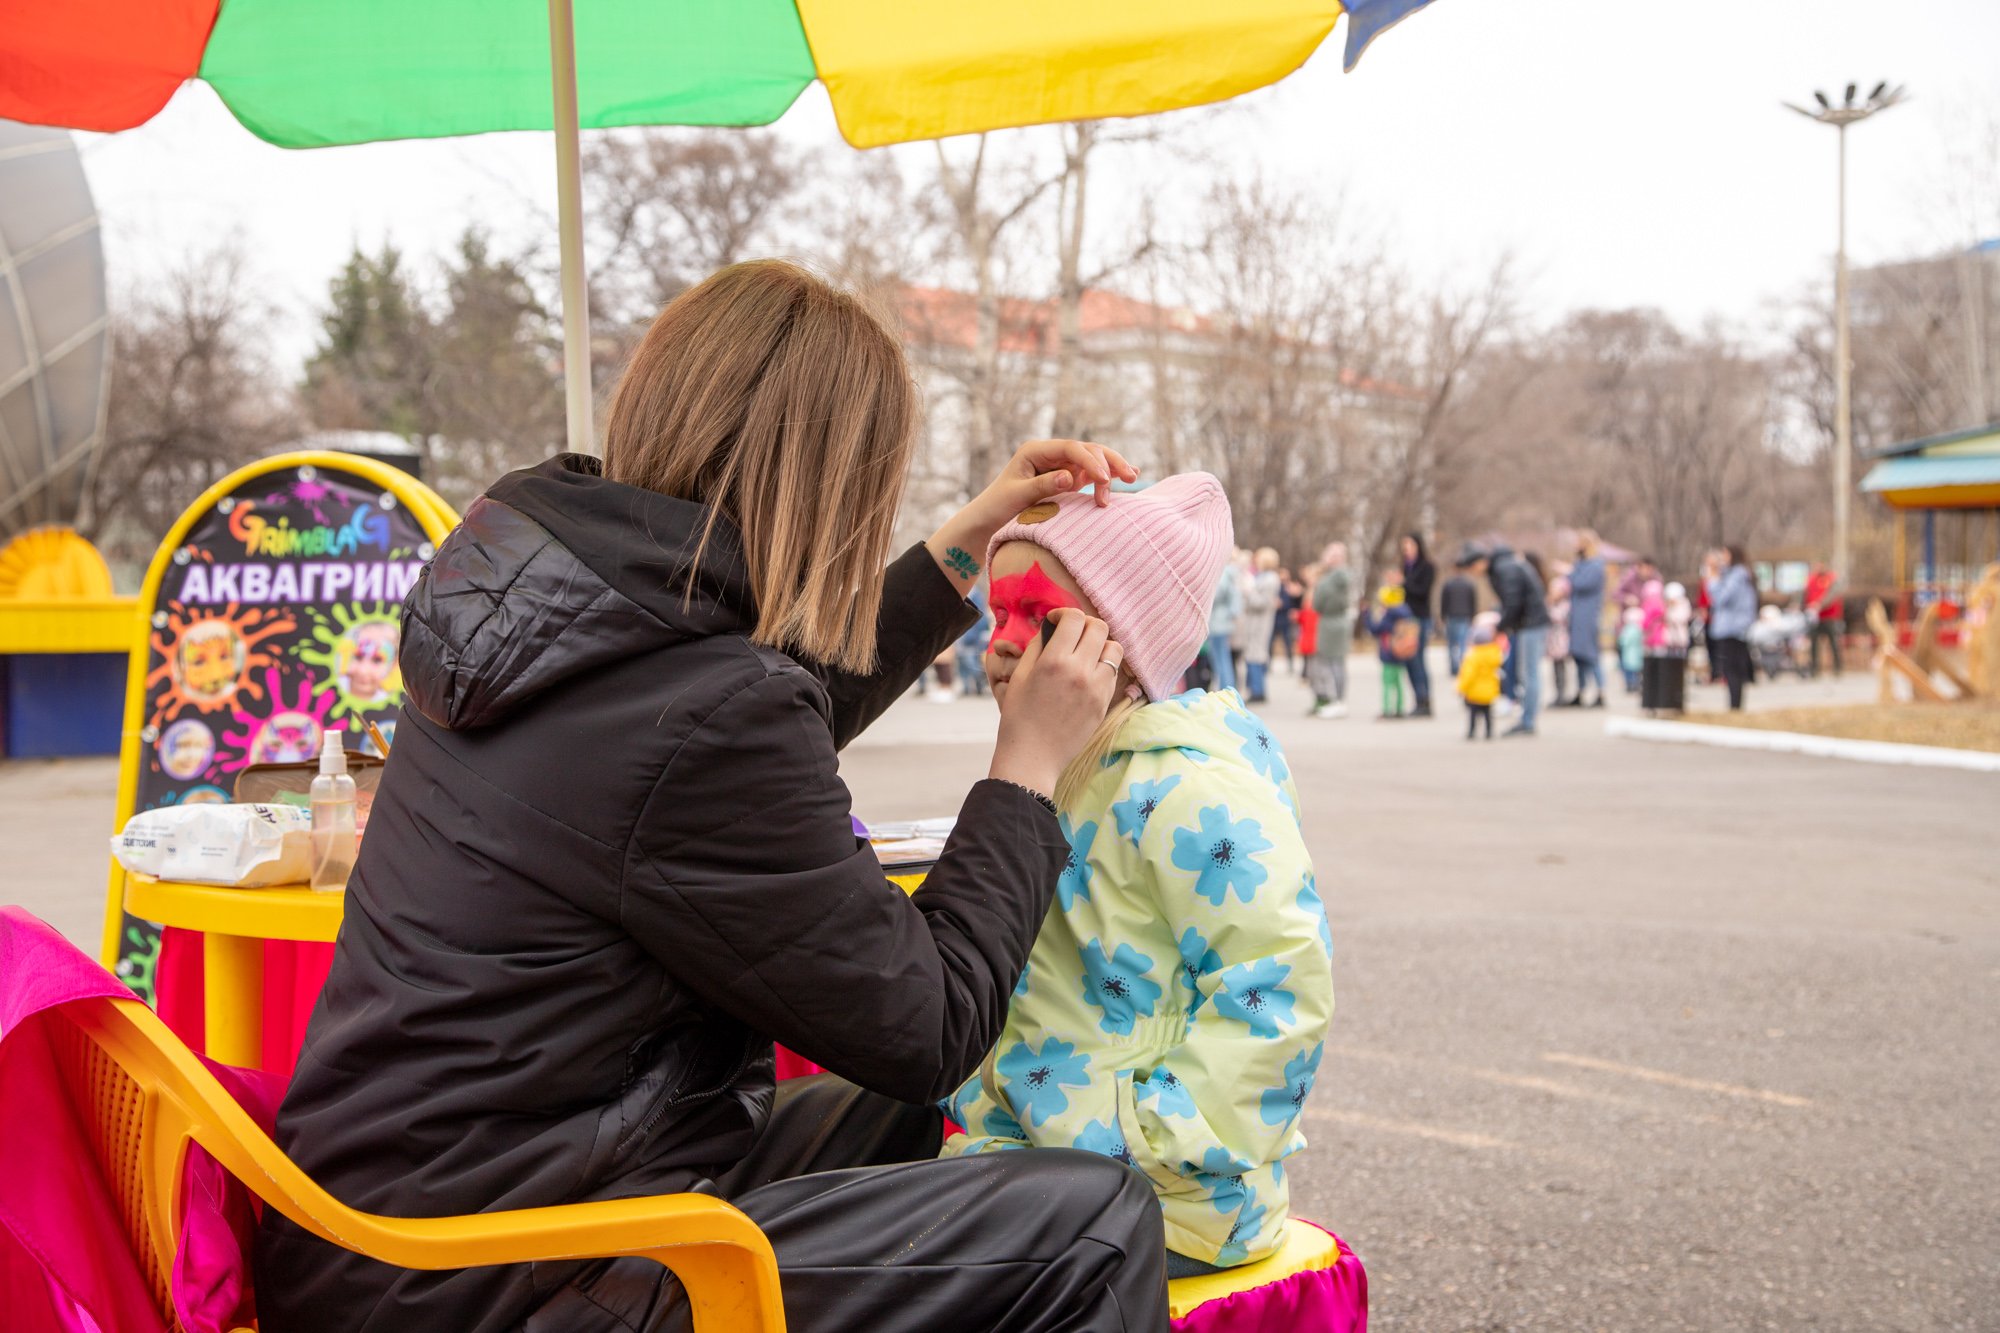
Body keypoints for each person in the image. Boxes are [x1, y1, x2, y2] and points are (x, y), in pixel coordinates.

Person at [254, 261, 1169, 1333]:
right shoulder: (703, 711)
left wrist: (961, 547)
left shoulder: (532, 592)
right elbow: (928, 1019)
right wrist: (1026, 767)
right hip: (493, 1279)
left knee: (918, 1116)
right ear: (831, 483)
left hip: (383, 1231)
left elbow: (744, 710)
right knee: (1095, 1222)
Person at [944, 474, 1331, 1278]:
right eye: (999, 612)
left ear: (1129, 648)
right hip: (1049, 1160)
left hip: (1170, 1203)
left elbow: (1278, 989)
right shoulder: (1051, 764)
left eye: (1041, 617)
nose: (1005, 640)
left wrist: (1158, 1138)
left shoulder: (1189, 793)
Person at [1458, 541, 1549, 737]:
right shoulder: (1503, 566)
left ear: (1480, 562)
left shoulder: (1504, 569)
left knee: (1528, 672)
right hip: (1527, 622)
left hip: (1532, 622)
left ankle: (1528, 721)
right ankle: (1526, 718)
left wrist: (1499, 628)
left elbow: (1513, 601)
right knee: (1525, 671)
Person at [1704, 545, 1757, 711]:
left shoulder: (1736, 576)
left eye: (1724, 554)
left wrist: (1712, 578)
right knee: (1735, 666)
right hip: (1738, 626)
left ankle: (1735, 705)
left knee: (1731, 667)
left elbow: (1721, 598)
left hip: (1732, 627)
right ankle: (1735, 703)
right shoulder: (1740, 575)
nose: (1722, 558)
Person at [1364, 573, 1416, 721]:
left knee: (1387, 683)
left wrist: (1366, 615)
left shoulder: (1389, 617)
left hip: (1389, 653)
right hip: (1402, 653)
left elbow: (1375, 629)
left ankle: (1387, 709)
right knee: (1399, 682)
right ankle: (1400, 708)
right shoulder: (1406, 613)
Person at [1310, 543, 1354, 719]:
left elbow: (1318, 601)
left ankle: (1338, 700)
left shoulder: (1332, 579)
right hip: (1336, 621)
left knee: (1335, 664)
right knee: (1336, 663)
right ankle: (1337, 699)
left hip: (1331, 622)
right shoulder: (1339, 577)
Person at [1566, 530, 1608, 708]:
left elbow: (1580, 584)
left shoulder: (1595, 566)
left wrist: (1569, 573)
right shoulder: (1580, 564)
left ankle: (1601, 691)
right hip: (1577, 615)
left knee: (1590, 655)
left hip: (1587, 616)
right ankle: (1581, 691)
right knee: (1579, 656)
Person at [1239, 547, 1282, 704]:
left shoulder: (1270, 579)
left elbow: (1263, 602)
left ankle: (1257, 690)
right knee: (1253, 654)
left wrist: (1249, 593)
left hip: (1259, 622)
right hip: (1254, 622)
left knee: (1255, 655)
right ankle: (1255, 689)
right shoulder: (1263, 577)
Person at [1400, 533, 1437, 718]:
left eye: (1409, 544)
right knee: (1409, 660)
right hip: (1406, 619)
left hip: (1420, 618)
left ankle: (1425, 700)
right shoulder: (1406, 567)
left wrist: (1404, 583)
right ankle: (1417, 698)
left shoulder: (1427, 567)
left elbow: (1422, 592)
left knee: (1418, 660)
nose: (1406, 548)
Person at [1456, 613, 1504, 740]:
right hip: (1488, 693)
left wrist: (1461, 688)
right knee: (1488, 714)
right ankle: (1489, 731)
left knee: (1473, 715)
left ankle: (1472, 732)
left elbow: (1468, 675)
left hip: (1474, 693)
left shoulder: (1473, 657)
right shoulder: (1494, 654)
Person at [1804, 559, 1845, 678]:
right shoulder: (1811, 579)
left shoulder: (1831, 578)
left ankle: (1837, 669)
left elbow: (1832, 594)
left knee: (1834, 643)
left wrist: (1820, 604)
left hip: (1830, 616)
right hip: (1815, 617)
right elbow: (1805, 594)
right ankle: (1814, 669)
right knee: (1814, 644)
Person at [1208, 560, 1243, 695]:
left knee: (1220, 658)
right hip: (1223, 621)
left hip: (1218, 622)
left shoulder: (1223, 574)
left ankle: (1226, 689)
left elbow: (1216, 593)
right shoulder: (1230, 574)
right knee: (1223, 657)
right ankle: (1228, 688)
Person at [1439, 561, 1478, 676]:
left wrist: (1443, 616)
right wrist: (1472, 615)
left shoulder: (1448, 584)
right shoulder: (1469, 584)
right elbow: (1472, 602)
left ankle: (1454, 667)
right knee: (1462, 643)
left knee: (1452, 643)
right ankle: (1463, 666)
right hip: (1465, 616)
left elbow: (1444, 602)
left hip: (1451, 616)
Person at [1544, 558, 1573, 709]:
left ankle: (1562, 693)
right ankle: (1557, 693)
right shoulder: (1552, 604)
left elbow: (1558, 617)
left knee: (1561, 668)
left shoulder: (1565, 606)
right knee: (1555, 668)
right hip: (1553, 641)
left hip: (1561, 640)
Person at [1273, 567, 1303, 674]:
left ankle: (1290, 664)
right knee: (1271, 643)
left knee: (1288, 643)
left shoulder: (1290, 588)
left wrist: (1297, 595)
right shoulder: (1275, 588)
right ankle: (1268, 664)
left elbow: (1296, 603)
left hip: (1286, 619)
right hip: (1276, 619)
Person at [1617, 605, 1645, 695]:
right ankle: (1635, 684)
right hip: (1636, 654)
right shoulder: (1639, 628)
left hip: (1628, 654)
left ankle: (1631, 685)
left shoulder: (1629, 629)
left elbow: (1623, 640)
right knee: (1636, 671)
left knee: (1629, 671)